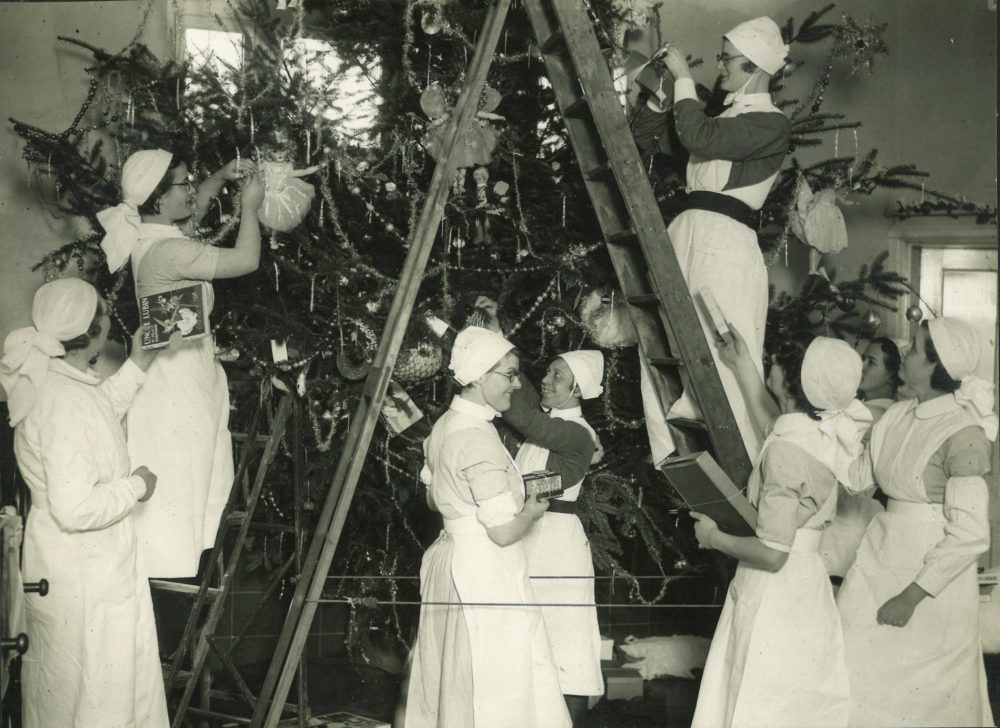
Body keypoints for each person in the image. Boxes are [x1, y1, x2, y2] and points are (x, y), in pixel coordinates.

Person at [0, 278, 167, 727]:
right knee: (92, 697)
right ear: (93, 331)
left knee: (77, 694)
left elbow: (97, 411)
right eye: (105, 312)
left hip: (78, 566)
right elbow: (75, 508)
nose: (111, 317)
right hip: (84, 570)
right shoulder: (62, 402)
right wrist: (136, 486)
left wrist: (139, 361)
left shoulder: (58, 382)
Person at [97, 148, 265, 577]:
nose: (192, 190)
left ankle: (170, 580)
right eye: (184, 184)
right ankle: (166, 593)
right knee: (179, 497)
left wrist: (220, 175)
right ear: (158, 198)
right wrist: (250, 206)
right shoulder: (169, 252)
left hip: (179, 377)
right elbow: (247, 260)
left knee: (186, 491)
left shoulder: (150, 234)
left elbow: (195, 208)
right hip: (175, 389)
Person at [690, 334, 871, 728]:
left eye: (775, 361)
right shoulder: (815, 431)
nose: (769, 361)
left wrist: (713, 538)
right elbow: (772, 422)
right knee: (792, 701)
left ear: (790, 383)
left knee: (758, 699)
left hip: (774, 588)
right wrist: (742, 364)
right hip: (806, 583)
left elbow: (772, 554)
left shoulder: (786, 453)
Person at [634, 17, 791, 466]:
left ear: (756, 67)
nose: (720, 67)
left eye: (728, 60)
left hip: (725, 242)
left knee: (727, 349)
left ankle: (749, 466)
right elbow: (644, 139)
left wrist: (684, 77)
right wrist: (662, 94)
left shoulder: (771, 123)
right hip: (686, 233)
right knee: (660, 340)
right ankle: (671, 454)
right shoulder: (720, 118)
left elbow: (697, 137)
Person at [404, 326, 571, 728]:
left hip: (451, 559)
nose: (517, 384)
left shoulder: (446, 424)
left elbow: (432, 499)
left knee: (456, 675)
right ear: (479, 376)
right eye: (509, 375)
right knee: (494, 679)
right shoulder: (477, 438)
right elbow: (502, 532)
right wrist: (531, 510)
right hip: (482, 570)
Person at [837, 317, 996, 727]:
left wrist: (910, 597)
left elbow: (971, 535)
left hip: (932, 585)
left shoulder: (964, 432)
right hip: (879, 558)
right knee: (855, 670)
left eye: (913, 348)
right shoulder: (895, 416)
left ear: (933, 364)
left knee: (924, 699)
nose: (904, 352)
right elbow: (857, 480)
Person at [857, 336, 904, 421]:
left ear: (891, 377)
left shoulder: (883, 416)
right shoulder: (860, 404)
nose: (861, 365)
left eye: (871, 362)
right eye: (863, 359)